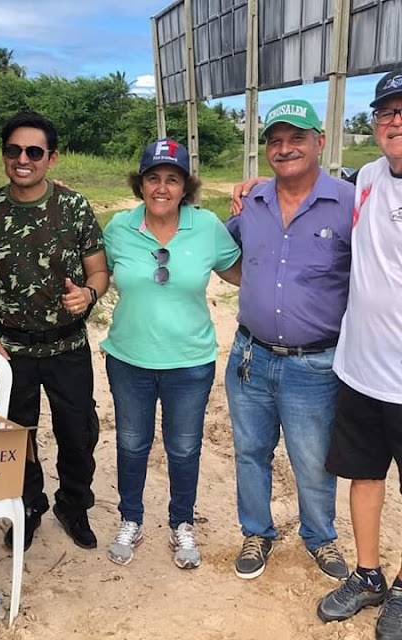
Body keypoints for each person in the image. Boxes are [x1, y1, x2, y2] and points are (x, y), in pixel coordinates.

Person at [0, 111, 109, 551]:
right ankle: (27, 507)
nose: (23, 159)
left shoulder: (74, 207)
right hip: (12, 348)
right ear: (4, 155)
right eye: (14, 150)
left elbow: (99, 270)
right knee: (15, 433)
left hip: (67, 345)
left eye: (34, 151)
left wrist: (88, 295)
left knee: (78, 430)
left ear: (52, 158)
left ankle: (73, 503)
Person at [225, 99, 354, 582]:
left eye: (297, 138)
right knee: (250, 451)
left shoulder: (348, 202)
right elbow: (216, 250)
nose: (285, 149)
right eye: (275, 141)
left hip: (315, 364)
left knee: (313, 459)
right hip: (249, 357)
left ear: (319, 142)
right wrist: (253, 281)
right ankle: (256, 532)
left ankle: (320, 538)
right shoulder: (251, 204)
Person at [100, 139, 241, 568]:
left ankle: (182, 524)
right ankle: (131, 518)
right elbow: (96, 275)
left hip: (190, 363)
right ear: (140, 183)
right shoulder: (119, 228)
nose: (162, 187)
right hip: (128, 359)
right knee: (131, 442)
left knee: (183, 448)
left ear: (186, 187)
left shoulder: (207, 227)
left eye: (172, 179)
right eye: (153, 178)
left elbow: (241, 273)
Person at [316, 71, 402, 640]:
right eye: (385, 112)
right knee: (364, 477)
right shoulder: (366, 178)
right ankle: (368, 575)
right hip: (361, 370)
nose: (394, 121)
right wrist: (255, 187)